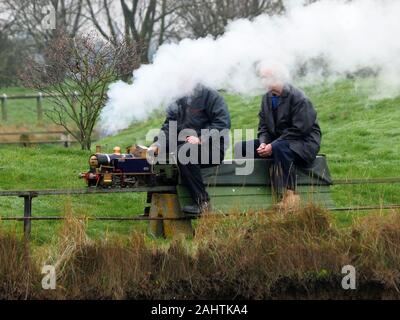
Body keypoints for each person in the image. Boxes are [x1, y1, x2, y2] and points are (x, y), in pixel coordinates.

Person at [236, 63, 321, 209]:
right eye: (262, 77)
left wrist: (272, 146)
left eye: (265, 77)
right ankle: (251, 190)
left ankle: (290, 196)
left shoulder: (298, 98)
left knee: (280, 148)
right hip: (278, 142)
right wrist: (263, 143)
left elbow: (300, 129)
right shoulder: (266, 99)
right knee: (243, 148)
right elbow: (263, 127)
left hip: (304, 143)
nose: (262, 81)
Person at [150, 85, 231, 215]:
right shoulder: (178, 97)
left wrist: (201, 138)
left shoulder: (211, 96)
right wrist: (158, 144)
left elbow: (223, 124)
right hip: (185, 144)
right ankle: (157, 196)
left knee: (185, 153)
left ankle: (202, 203)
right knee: (159, 148)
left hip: (212, 148)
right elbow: (169, 127)